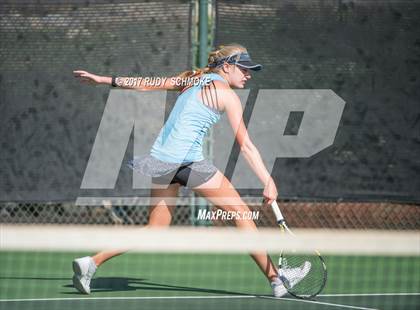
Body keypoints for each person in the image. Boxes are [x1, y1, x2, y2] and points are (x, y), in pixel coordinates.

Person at [72, 43, 309, 297]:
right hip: (185, 162)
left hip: (160, 161)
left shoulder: (192, 80)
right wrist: (268, 180)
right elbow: (246, 147)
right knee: (241, 213)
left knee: (156, 228)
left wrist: (102, 79)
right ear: (227, 67)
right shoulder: (227, 95)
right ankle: (276, 279)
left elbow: (145, 83)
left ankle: (91, 263)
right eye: (244, 69)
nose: (248, 74)